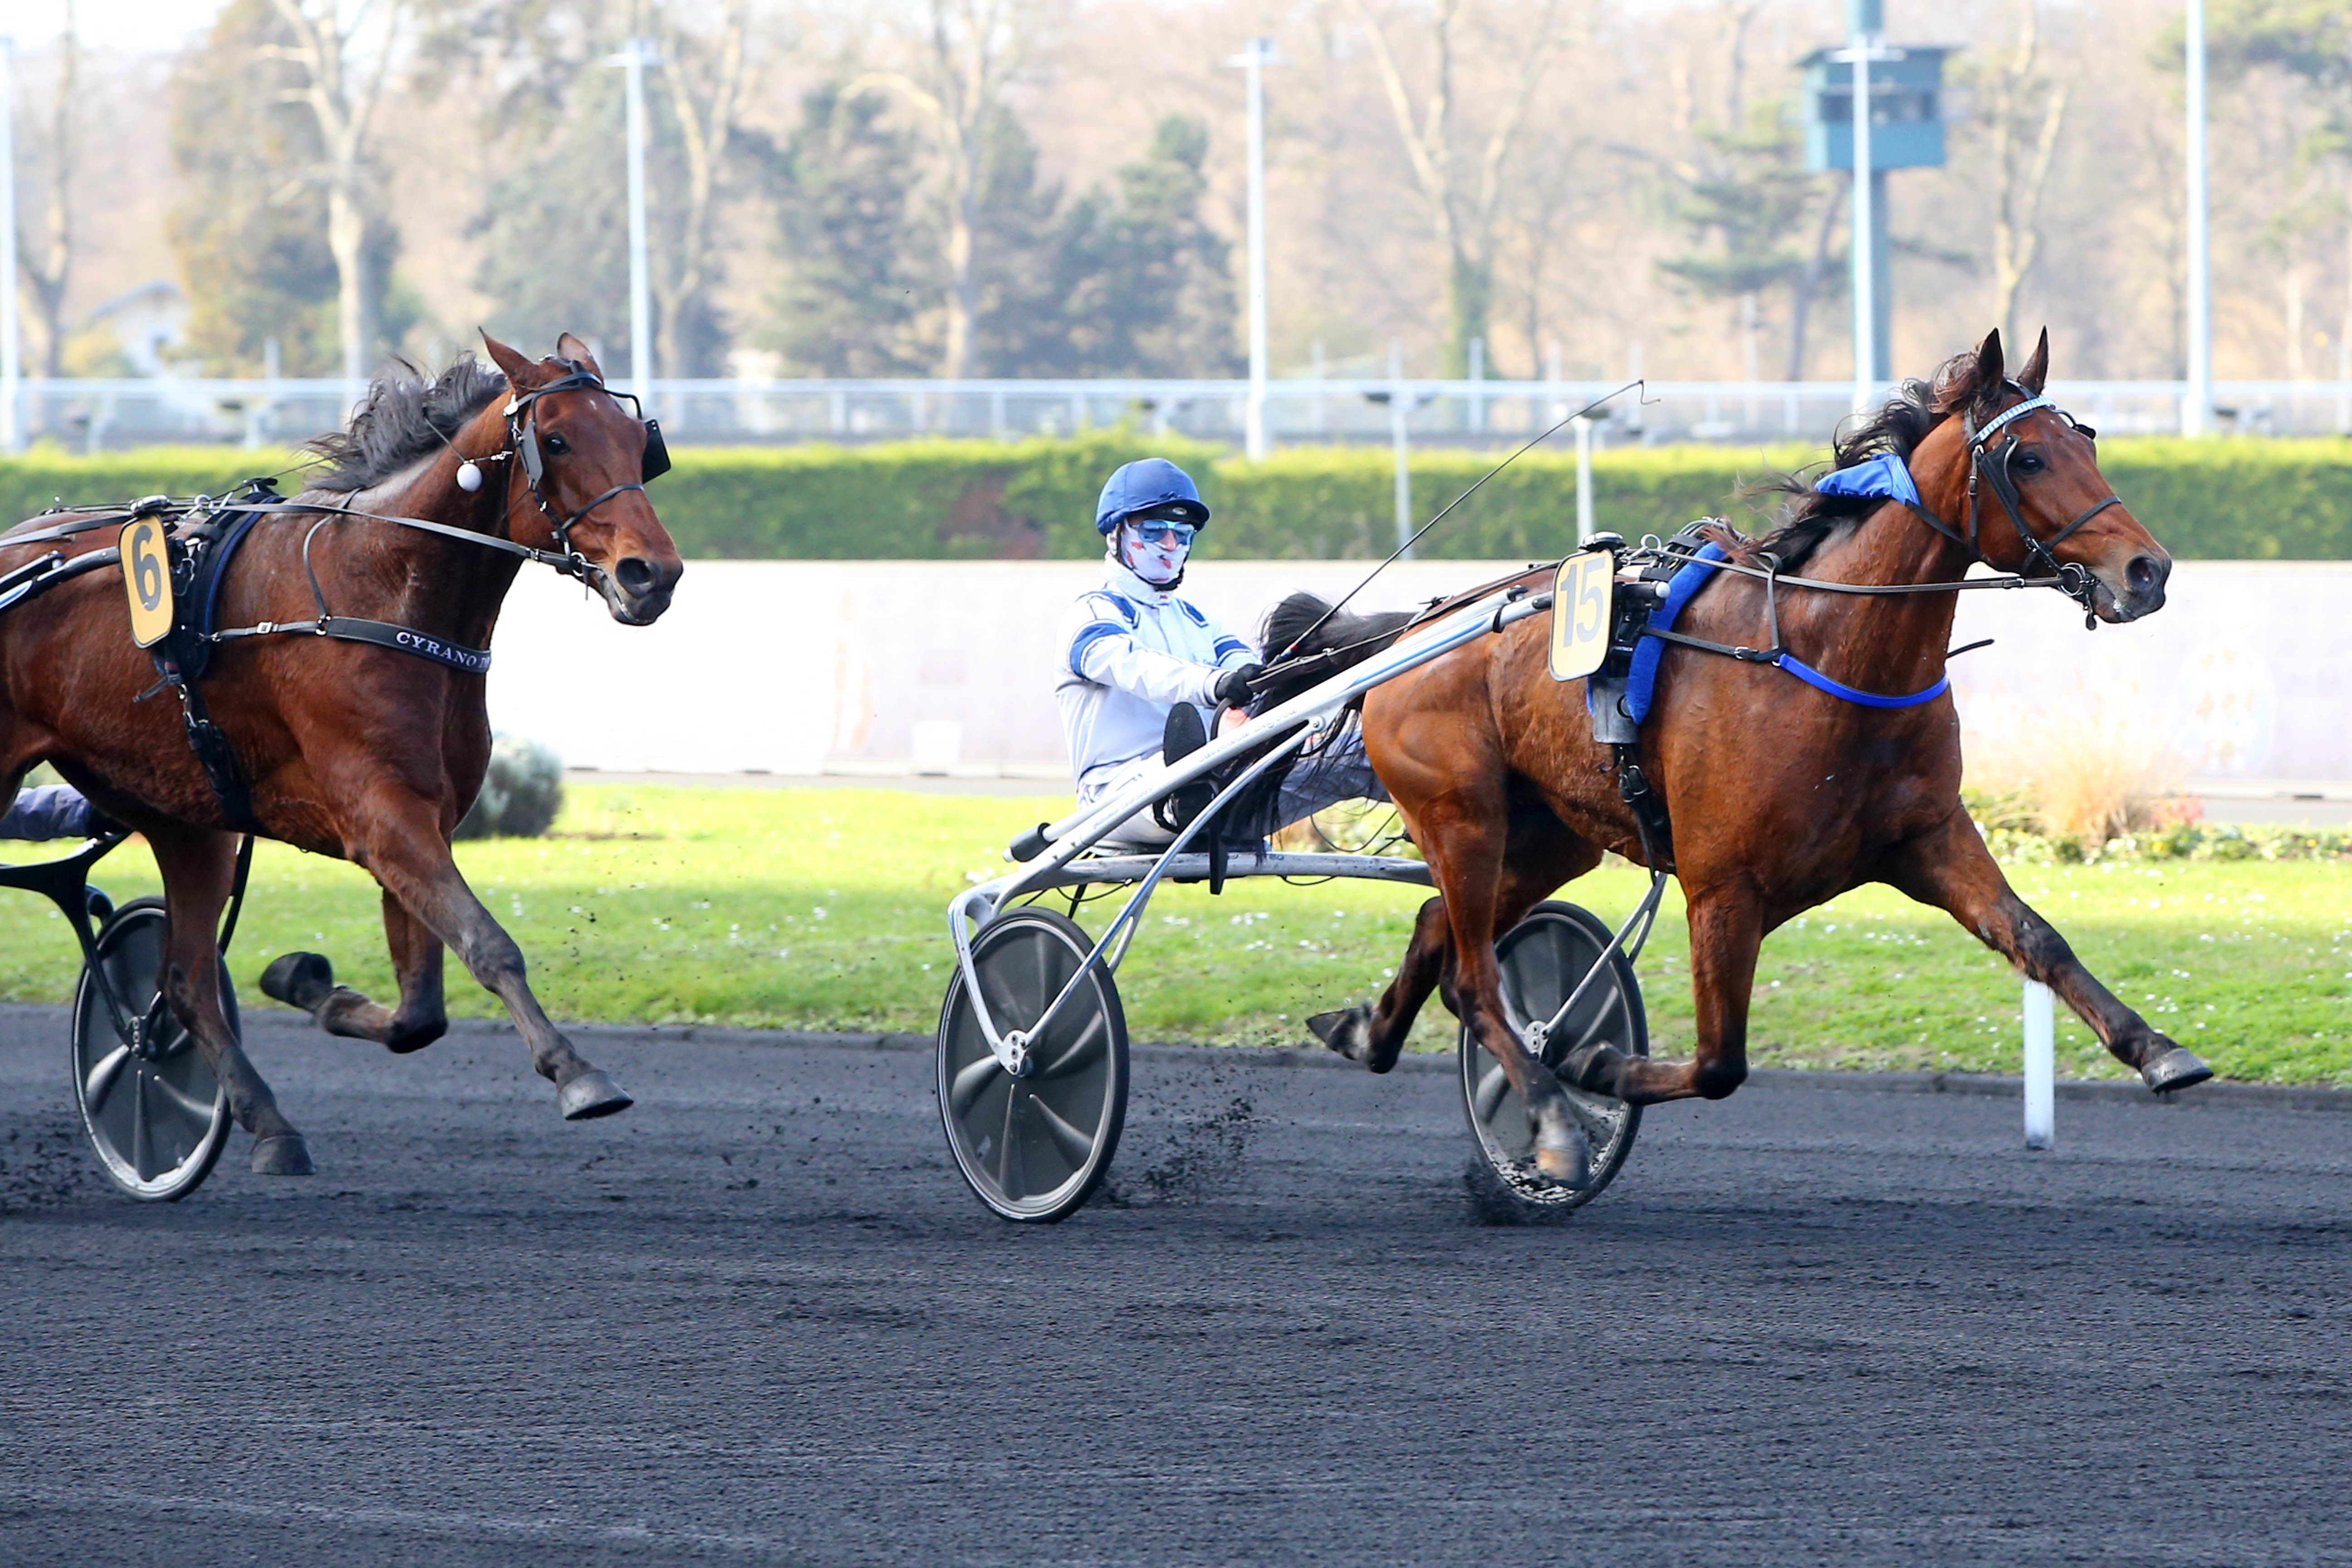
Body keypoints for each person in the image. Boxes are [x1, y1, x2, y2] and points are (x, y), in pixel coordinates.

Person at [1054, 458, 1385, 847]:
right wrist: (1216, 685)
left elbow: (1248, 668)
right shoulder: (1092, 615)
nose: (1171, 545)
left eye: (1183, 533)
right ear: (1116, 534)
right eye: (1155, 531)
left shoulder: (1197, 621)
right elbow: (1136, 668)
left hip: (1225, 784)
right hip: (1119, 797)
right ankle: (1193, 788)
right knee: (1192, 772)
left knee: (1367, 751)